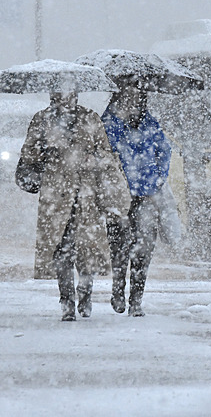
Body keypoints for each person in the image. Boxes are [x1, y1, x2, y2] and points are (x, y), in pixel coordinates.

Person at [16, 92, 130, 321]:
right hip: (56, 195)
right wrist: (43, 151)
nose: (64, 97)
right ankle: (66, 301)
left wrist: (93, 160)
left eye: (69, 92)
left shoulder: (90, 118)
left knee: (87, 249)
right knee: (61, 249)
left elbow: (106, 154)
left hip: (86, 194)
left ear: (76, 94)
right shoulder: (42, 119)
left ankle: (85, 294)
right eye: (59, 93)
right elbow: (28, 154)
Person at [101, 84, 171, 317]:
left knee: (144, 249)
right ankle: (118, 289)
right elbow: (105, 152)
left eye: (137, 97)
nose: (132, 102)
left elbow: (165, 151)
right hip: (118, 195)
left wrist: (159, 177)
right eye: (127, 96)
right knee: (119, 248)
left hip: (146, 195)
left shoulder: (150, 124)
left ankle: (136, 300)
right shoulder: (109, 123)